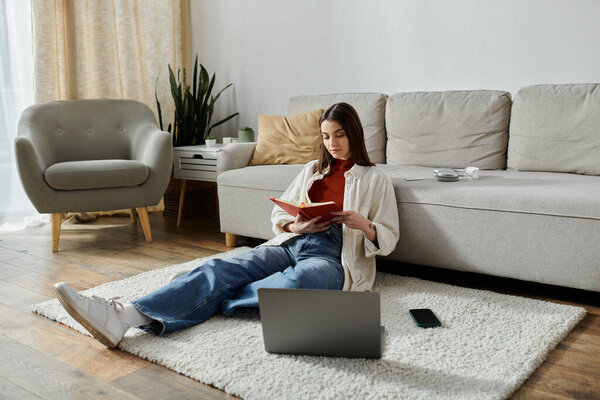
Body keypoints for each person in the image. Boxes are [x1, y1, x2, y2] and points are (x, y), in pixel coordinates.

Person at [53, 102, 400, 348]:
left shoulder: (375, 179)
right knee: (225, 263)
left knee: (307, 280)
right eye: (326, 137)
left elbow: (388, 238)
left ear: (354, 134)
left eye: (339, 135)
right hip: (294, 243)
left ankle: (214, 297)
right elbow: (280, 217)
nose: (332, 143)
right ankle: (124, 316)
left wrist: (363, 224)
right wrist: (296, 227)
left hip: (333, 254)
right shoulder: (312, 170)